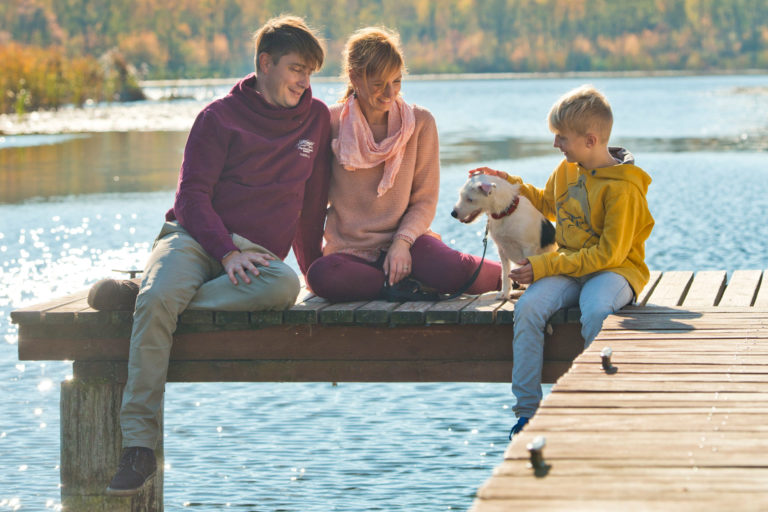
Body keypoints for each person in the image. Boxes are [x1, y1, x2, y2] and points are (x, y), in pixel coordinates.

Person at [101, 15, 331, 496]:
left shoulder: (316, 120)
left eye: (310, 71)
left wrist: (315, 275)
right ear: (265, 63)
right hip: (194, 238)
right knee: (162, 295)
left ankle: (149, 302)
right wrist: (225, 252)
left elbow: (311, 209)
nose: (304, 81)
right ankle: (138, 447)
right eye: (295, 68)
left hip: (258, 256)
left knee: (283, 286)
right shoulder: (218, 117)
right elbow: (191, 199)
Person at [471, 85, 654, 439]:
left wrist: (544, 267)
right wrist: (506, 182)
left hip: (614, 271)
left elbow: (608, 255)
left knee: (597, 310)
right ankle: (527, 414)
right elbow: (546, 204)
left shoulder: (624, 189)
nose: (556, 144)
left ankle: (594, 409)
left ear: (590, 140)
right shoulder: (567, 170)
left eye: (562, 138)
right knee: (528, 308)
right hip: (570, 266)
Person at [305, 27, 500, 302]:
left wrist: (402, 243)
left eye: (396, 82)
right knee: (322, 276)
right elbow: (309, 203)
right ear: (354, 77)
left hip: (411, 243)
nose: (389, 93)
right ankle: (401, 284)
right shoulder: (329, 122)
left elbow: (425, 201)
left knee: (451, 268)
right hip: (349, 252)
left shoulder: (420, 122)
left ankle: (518, 275)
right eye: (378, 83)